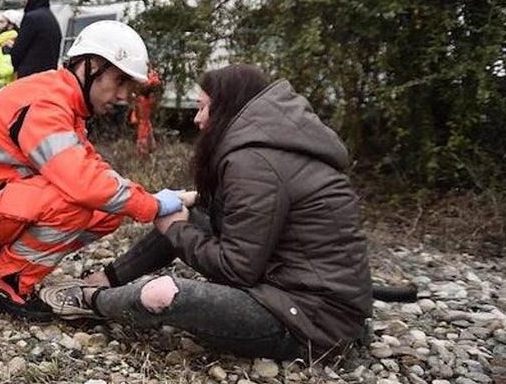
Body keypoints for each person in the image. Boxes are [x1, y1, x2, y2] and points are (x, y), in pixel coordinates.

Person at [40, 64, 373, 360]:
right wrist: (190, 206)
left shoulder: (254, 162)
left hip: (310, 323)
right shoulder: (271, 149)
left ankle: (91, 300)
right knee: (187, 218)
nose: (197, 119)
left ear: (226, 108)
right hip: (297, 291)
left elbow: (237, 268)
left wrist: (176, 230)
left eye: (202, 108)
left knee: (163, 292)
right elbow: (253, 214)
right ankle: (106, 280)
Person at [0, 20, 188, 321]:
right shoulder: (47, 104)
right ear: (90, 66)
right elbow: (82, 183)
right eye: (121, 81)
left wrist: (142, 197)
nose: (124, 96)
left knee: (108, 210)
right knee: (77, 200)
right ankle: (8, 280)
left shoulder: (61, 100)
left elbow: (91, 168)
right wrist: (153, 205)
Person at [9, 0, 61, 78]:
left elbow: (19, 50)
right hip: (47, 76)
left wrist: (11, 49)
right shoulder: (50, 17)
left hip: (30, 76)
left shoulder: (32, 17)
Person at [130, 69, 162, 160]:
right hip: (143, 122)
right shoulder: (145, 100)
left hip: (144, 122)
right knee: (144, 142)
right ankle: (144, 159)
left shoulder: (140, 99)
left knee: (147, 141)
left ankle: (145, 158)